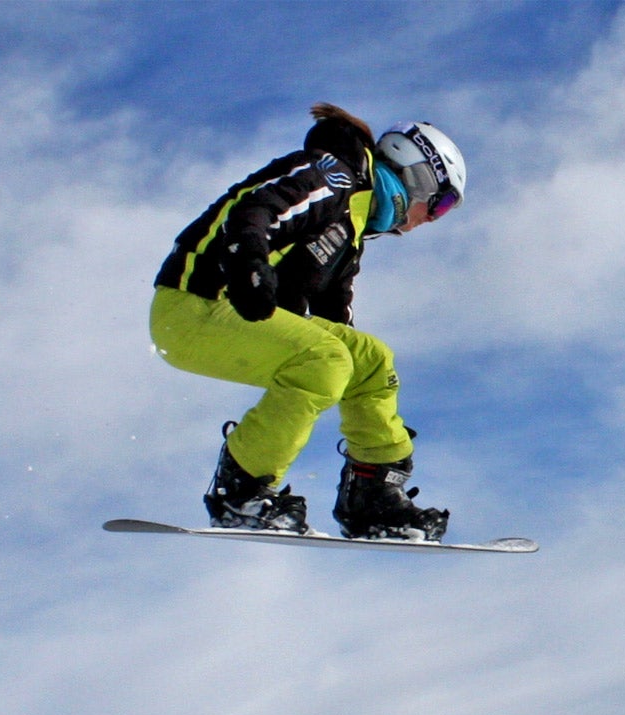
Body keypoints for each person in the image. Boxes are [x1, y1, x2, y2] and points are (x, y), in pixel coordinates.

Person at [150, 104, 466, 541]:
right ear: (419, 174)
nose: (433, 218)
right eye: (442, 203)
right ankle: (240, 491)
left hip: (238, 311)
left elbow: (335, 321)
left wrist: (359, 385)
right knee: (326, 359)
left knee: (369, 359)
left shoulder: (351, 228)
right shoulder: (334, 174)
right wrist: (250, 265)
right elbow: (255, 210)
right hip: (196, 304)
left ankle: (372, 496)